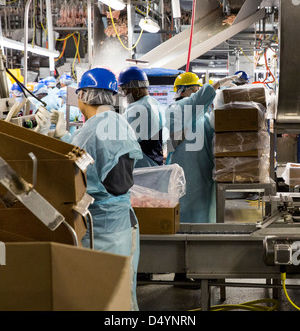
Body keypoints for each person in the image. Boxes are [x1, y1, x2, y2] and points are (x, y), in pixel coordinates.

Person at [34, 67, 143, 311]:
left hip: (103, 230)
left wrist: (43, 136)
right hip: (124, 224)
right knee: (124, 296)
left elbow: (69, 169)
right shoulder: (117, 122)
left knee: (106, 300)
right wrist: (64, 137)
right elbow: (91, 160)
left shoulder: (92, 128)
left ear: (83, 96)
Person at [165, 72, 238, 225]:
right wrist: (216, 85)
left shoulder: (202, 117)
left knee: (205, 223)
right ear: (181, 91)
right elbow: (195, 102)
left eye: (198, 88)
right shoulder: (175, 109)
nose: (196, 92)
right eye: (193, 89)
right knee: (186, 224)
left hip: (204, 181)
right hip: (187, 181)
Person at [118, 66, 165, 167]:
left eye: (124, 90)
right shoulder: (154, 103)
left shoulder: (137, 109)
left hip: (143, 167)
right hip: (155, 165)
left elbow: (119, 140)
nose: (124, 94)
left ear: (135, 88)